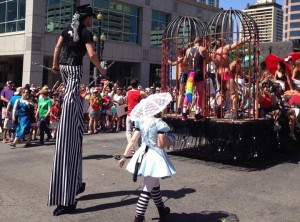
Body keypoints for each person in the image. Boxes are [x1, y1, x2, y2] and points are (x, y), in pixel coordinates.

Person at [48, 4, 106, 216]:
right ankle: (67, 196)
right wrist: (101, 70)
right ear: (85, 18)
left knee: (74, 126)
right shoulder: (86, 32)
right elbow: (91, 54)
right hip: (72, 76)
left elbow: (56, 48)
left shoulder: (67, 28)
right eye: (90, 17)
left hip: (64, 71)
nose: (92, 20)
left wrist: (55, 66)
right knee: (69, 135)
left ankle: (77, 183)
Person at [118, 110, 176, 222]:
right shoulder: (159, 123)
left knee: (154, 187)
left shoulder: (141, 121)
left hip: (143, 155)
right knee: (146, 189)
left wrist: (124, 156)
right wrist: (172, 140)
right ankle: (138, 218)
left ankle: (162, 210)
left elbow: (133, 140)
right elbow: (161, 144)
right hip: (154, 157)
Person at [211, 36, 251, 118]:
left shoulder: (214, 54)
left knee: (222, 94)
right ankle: (234, 113)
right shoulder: (224, 49)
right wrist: (247, 38)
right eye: (223, 41)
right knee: (234, 94)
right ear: (221, 43)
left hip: (219, 74)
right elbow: (237, 44)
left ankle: (219, 110)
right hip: (226, 73)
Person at [182, 37, 209, 121]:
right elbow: (207, 60)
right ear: (201, 42)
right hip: (198, 73)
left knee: (188, 92)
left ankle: (184, 113)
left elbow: (184, 62)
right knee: (199, 94)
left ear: (194, 42)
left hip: (191, 74)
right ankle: (197, 114)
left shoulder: (188, 50)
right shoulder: (203, 49)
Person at [125, 79, 147, 153]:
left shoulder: (128, 93)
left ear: (131, 85)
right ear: (137, 85)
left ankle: (131, 147)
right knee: (139, 130)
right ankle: (140, 145)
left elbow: (126, 102)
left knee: (128, 131)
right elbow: (148, 99)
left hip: (130, 113)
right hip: (138, 114)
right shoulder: (141, 92)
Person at [168, 48, 188, 114]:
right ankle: (185, 108)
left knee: (181, 93)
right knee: (187, 92)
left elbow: (173, 63)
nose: (178, 54)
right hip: (188, 75)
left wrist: (166, 60)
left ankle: (179, 107)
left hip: (184, 75)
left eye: (179, 52)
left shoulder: (182, 58)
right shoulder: (188, 57)